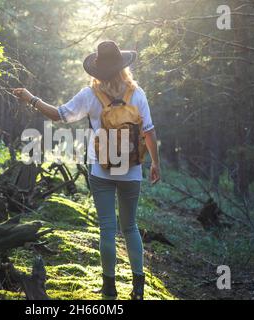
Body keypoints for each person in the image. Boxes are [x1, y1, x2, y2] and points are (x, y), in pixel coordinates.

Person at [13, 40, 161, 300]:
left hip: (101, 170)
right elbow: (148, 131)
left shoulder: (89, 95)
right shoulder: (137, 93)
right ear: (123, 67)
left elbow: (58, 115)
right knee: (130, 227)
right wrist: (155, 164)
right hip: (132, 170)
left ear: (97, 70)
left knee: (107, 228)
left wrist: (31, 98)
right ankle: (138, 290)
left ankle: (109, 288)